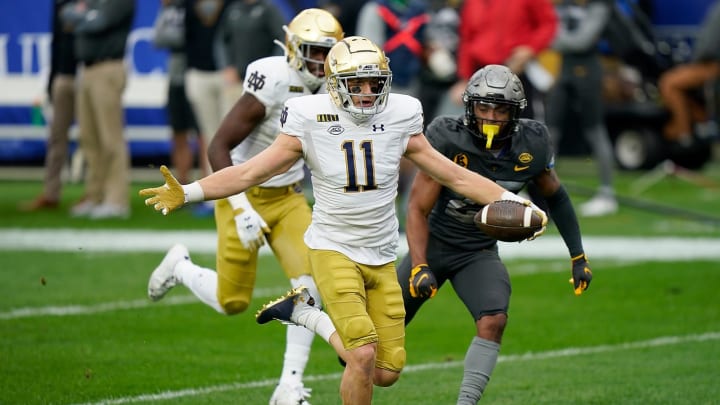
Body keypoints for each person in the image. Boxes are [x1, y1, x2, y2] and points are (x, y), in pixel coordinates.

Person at [139, 36, 547, 405]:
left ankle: (304, 314)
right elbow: (249, 172)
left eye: (375, 82)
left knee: (386, 372)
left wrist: (515, 201)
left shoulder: (402, 114)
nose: (369, 92)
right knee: (362, 354)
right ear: (335, 83)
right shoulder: (308, 116)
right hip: (332, 247)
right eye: (357, 83)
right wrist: (190, 191)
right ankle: (310, 314)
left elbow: (455, 175)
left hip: (382, 254)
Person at [146, 8, 345, 405]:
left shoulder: (336, 88)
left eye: (327, 53)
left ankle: (289, 386)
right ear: (292, 48)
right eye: (312, 52)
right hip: (242, 192)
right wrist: (240, 208)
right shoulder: (272, 80)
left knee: (308, 286)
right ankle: (181, 268)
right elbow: (218, 146)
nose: (320, 63)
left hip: (288, 198)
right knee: (231, 302)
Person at [395, 64, 593, 404]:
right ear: (469, 107)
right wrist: (419, 264)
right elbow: (417, 208)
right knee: (374, 344)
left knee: (494, 319)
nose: (490, 116)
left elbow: (555, 197)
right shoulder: (447, 136)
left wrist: (577, 255)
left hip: (477, 251)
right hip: (435, 242)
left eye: (500, 109)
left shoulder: (532, 143)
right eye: (483, 107)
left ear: (514, 113)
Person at [61, 0, 136, 219]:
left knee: (110, 136)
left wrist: (79, 18)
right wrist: (83, 16)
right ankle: (95, 195)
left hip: (108, 67)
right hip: (86, 69)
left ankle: (116, 199)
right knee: (89, 137)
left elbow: (99, 23)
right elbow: (65, 12)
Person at [546, 0, 617, 217]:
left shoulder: (599, 6)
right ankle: (544, 192)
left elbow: (581, 42)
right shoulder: (563, 5)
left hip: (587, 70)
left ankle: (607, 193)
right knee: (550, 131)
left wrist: (546, 38)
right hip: (564, 69)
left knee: (594, 130)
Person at [448, 0, 557, 120]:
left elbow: (548, 24)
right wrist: (465, 78)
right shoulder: (473, 3)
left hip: (517, 70)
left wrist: (530, 49)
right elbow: (467, 39)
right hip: (482, 73)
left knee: (523, 126)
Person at [19, 0, 78, 212]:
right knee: (56, 137)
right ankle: (51, 193)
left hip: (86, 72)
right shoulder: (59, 3)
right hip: (62, 74)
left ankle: (96, 195)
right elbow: (57, 40)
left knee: (93, 139)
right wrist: (52, 79)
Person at [153, 0, 204, 185]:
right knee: (178, 132)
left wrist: (184, 35)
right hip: (175, 79)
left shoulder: (197, 6)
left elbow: (197, 35)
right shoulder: (169, 9)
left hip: (197, 75)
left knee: (203, 134)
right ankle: (181, 186)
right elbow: (157, 38)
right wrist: (183, 36)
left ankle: (209, 185)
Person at [658, 0, 720, 146]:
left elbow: (708, 48)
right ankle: (700, 121)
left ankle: (683, 132)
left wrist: (693, 61)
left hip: (712, 66)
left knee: (668, 83)